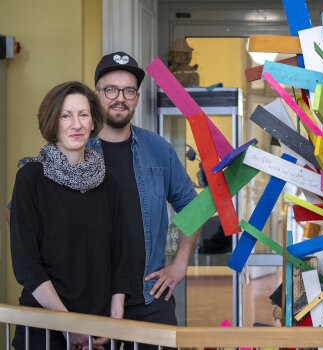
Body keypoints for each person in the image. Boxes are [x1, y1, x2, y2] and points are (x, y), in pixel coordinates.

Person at [88, 52, 199, 347]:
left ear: (136, 98)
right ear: (96, 95)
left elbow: (193, 207)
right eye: (110, 89)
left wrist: (180, 264)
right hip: (91, 301)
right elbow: (22, 213)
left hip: (152, 299)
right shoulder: (73, 148)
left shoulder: (157, 148)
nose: (119, 98)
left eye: (128, 91)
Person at [10, 81, 128, 350]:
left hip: (99, 334)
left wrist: (116, 322)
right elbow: (26, 266)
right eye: (66, 115)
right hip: (43, 331)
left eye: (83, 114)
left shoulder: (110, 182)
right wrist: (70, 326)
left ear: (93, 121)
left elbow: (122, 258)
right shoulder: (30, 179)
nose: (76, 124)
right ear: (53, 121)